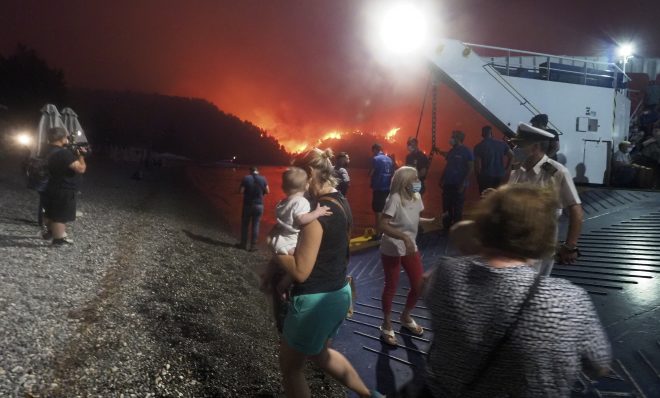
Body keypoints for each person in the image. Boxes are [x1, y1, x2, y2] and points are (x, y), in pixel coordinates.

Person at [416, 184, 610, 397]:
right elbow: (598, 363)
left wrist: (487, 225)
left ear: (484, 226)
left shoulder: (446, 273)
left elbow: (458, 234)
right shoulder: (567, 301)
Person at [273, 148, 383, 398]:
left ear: (310, 173)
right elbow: (329, 251)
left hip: (314, 302)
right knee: (321, 354)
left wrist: (277, 252)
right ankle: (370, 395)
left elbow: (301, 272)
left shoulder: (316, 216)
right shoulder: (341, 201)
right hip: (339, 294)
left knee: (291, 369)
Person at [261, 166, 332, 333]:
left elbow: (283, 221)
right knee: (298, 266)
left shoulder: (282, 202)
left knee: (274, 261)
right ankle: (282, 287)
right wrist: (318, 212)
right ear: (306, 186)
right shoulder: (302, 202)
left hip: (279, 238)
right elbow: (302, 219)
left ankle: (266, 277)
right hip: (289, 243)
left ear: (284, 188)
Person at [507, 123, 583, 274]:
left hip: (538, 247)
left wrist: (570, 246)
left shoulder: (556, 172)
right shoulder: (517, 170)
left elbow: (576, 210)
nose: (514, 149)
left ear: (534, 147)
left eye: (519, 145)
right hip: (512, 242)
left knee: (532, 289)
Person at [377, 166, 435, 346]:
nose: (418, 182)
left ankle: (405, 316)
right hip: (392, 247)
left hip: (410, 247)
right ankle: (386, 323)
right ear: (404, 183)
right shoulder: (394, 199)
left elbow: (415, 219)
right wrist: (403, 237)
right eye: (415, 179)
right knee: (391, 286)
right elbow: (383, 225)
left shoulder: (417, 197)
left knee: (419, 285)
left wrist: (433, 221)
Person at [41, 126, 87, 245]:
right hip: (64, 187)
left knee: (51, 211)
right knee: (60, 215)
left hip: (49, 185)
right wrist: (81, 156)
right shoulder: (63, 153)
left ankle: (50, 232)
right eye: (66, 137)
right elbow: (80, 169)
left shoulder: (45, 149)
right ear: (62, 138)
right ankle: (58, 239)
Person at [439, 130, 473, 229]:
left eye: (453, 137)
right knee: (446, 207)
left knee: (457, 208)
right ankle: (446, 227)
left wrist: (463, 184)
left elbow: (471, 168)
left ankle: (457, 230)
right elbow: (447, 166)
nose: (451, 139)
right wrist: (441, 178)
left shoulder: (466, 151)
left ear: (459, 139)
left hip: (458, 185)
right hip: (448, 184)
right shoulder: (452, 151)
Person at [236, 166, 269, 251]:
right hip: (259, 205)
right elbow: (268, 191)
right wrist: (262, 193)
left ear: (250, 171)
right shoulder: (263, 179)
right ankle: (253, 246)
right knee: (256, 225)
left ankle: (243, 244)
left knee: (245, 225)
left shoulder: (246, 178)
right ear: (258, 171)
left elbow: (241, 191)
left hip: (248, 205)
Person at [473, 125, 513, 193]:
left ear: (482, 134)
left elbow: (477, 166)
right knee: (495, 198)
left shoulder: (479, 146)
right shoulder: (502, 144)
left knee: (485, 198)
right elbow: (511, 155)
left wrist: (478, 177)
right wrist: (506, 169)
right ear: (491, 133)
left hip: (485, 177)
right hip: (500, 176)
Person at [369, 143, 394, 237]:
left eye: (373, 151)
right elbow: (392, 172)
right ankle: (386, 231)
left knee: (378, 211)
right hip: (388, 188)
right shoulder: (389, 159)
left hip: (378, 188)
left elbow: (371, 173)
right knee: (385, 210)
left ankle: (378, 233)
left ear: (375, 150)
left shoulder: (375, 159)